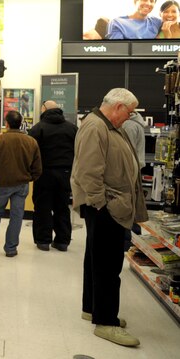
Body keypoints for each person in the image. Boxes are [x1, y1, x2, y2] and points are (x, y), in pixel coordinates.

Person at [71, 88, 147, 347]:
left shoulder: (108, 126)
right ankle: (106, 322)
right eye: (129, 111)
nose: (130, 116)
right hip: (105, 207)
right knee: (108, 265)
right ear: (117, 107)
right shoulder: (96, 127)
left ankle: (92, 308)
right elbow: (88, 171)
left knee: (96, 259)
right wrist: (102, 203)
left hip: (107, 205)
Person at [0, 111, 42, 258]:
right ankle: (11, 248)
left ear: (6, 123)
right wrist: (29, 178)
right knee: (17, 216)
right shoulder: (31, 141)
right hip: (22, 184)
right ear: (21, 123)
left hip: (2, 184)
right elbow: (38, 168)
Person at [28, 101, 78, 252]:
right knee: (62, 207)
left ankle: (43, 241)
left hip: (44, 173)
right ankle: (62, 241)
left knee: (42, 206)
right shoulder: (72, 128)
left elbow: (31, 152)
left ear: (44, 109)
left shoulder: (38, 128)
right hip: (65, 174)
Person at [120, 111, 148, 250]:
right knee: (133, 203)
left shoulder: (129, 126)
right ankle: (134, 239)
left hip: (130, 169)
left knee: (128, 205)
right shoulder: (135, 124)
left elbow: (127, 151)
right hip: (135, 167)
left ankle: (128, 241)